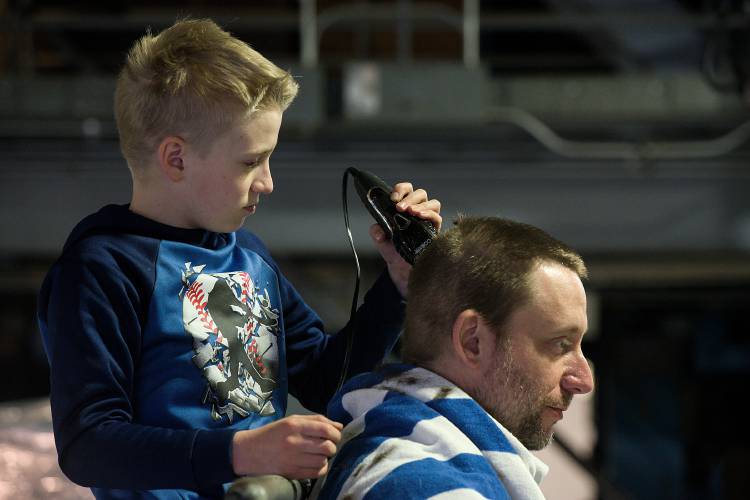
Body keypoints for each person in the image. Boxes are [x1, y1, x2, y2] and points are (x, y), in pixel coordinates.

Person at [36, 18, 442, 499]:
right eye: (251, 162)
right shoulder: (103, 270)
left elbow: (324, 379)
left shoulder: (247, 253)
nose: (267, 182)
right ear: (176, 159)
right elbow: (88, 445)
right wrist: (240, 452)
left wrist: (397, 284)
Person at [312, 216, 594, 500]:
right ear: (473, 341)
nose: (584, 381)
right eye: (561, 345)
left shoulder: (395, 458)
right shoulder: (427, 488)